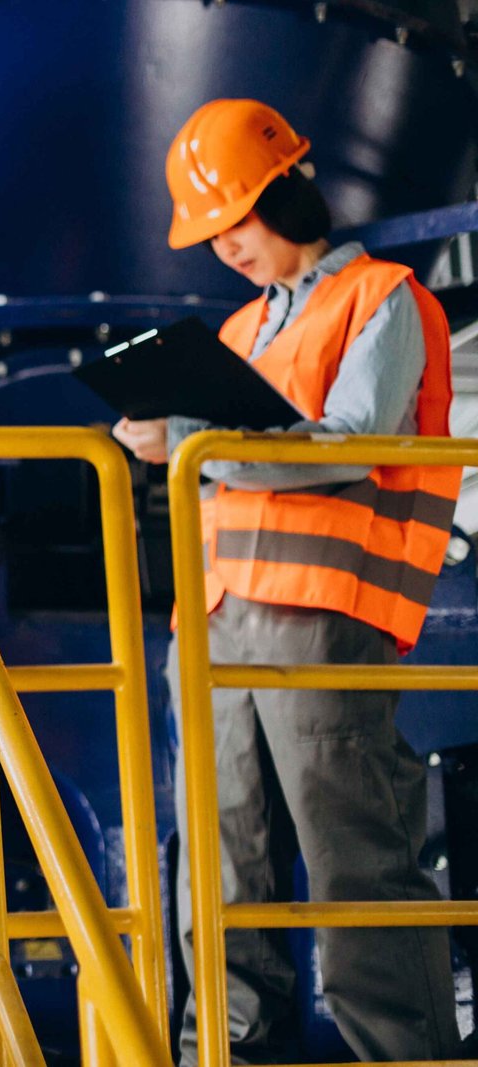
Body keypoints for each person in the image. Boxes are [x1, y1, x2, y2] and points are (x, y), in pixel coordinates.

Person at [113, 99, 462, 1064]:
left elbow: (353, 443)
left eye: (239, 221)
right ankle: (227, 1051)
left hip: (321, 618)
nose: (226, 248)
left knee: (353, 858)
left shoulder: (385, 298)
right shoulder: (233, 332)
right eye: (211, 233)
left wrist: (189, 441)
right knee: (222, 866)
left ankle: (403, 1054)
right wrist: (152, 435)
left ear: (291, 189)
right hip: (216, 615)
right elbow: (220, 456)